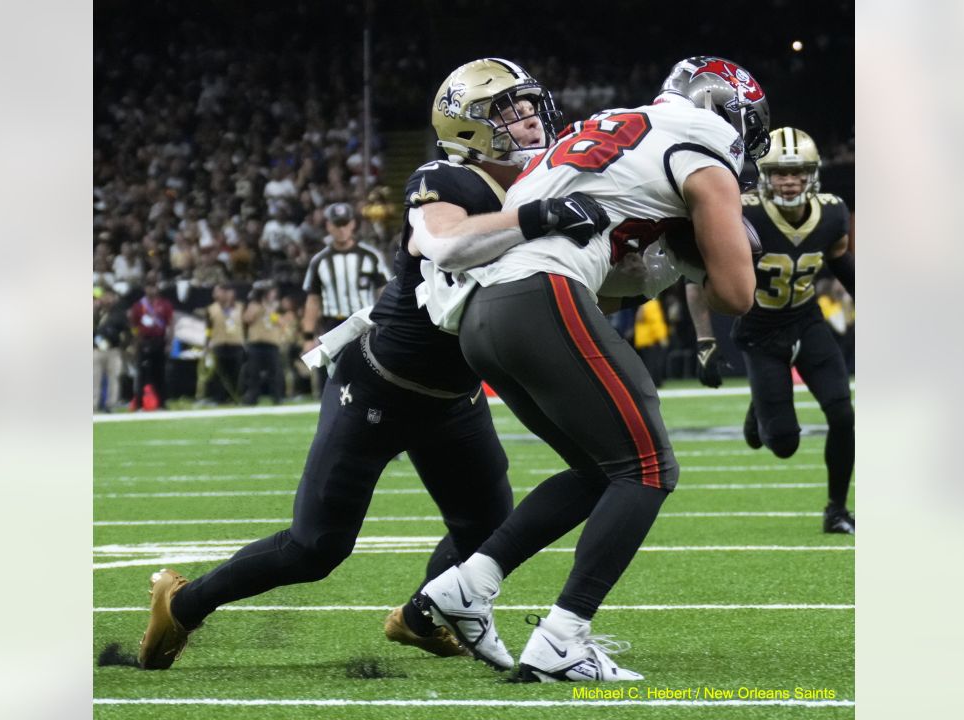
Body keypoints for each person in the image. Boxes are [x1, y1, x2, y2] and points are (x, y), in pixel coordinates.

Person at [137, 58, 594, 671]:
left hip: (453, 398)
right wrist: (537, 219)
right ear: (467, 128)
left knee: (486, 529)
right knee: (316, 549)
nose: (528, 119)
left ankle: (419, 615)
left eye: (530, 105)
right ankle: (185, 602)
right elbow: (448, 241)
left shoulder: (543, 182)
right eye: (507, 110)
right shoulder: (446, 179)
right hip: (380, 388)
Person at [411, 56, 771, 682]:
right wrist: (723, 239)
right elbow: (736, 296)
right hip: (539, 295)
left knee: (595, 470)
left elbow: (608, 256)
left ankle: (466, 586)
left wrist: (668, 246)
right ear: (730, 115)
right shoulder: (705, 143)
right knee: (649, 468)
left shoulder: (605, 127)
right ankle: (563, 637)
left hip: (481, 317)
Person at [685, 126, 856, 534]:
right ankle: (760, 412)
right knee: (783, 444)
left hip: (807, 320)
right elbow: (695, 276)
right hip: (760, 333)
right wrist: (706, 340)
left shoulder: (832, 213)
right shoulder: (744, 213)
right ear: (765, 175)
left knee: (843, 415)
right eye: (780, 171)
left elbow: (843, 267)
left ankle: (836, 509)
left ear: (813, 174)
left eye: (797, 172)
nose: (790, 179)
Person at [301, 201, 392, 394]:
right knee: (333, 380)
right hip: (332, 325)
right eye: (337, 224)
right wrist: (308, 336)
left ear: (352, 224)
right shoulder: (320, 261)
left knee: (369, 377)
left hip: (364, 324)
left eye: (345, 223)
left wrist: (388, 323)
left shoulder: (371, 256)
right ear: (328, 226)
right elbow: (313, 300)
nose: (341, 229)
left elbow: (384, 292)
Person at [127, 278, 174, 410]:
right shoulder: (139, 306)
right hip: (144, 341)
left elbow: (170, 324)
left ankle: (162, 402)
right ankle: (139, 403)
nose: (151, 289)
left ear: (157, 288)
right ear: (145, 289)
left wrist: (169, 342)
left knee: (160, 373)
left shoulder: (164, 304)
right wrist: (136, 340)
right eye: (149, 287)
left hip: (159, 341)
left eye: (153, 287)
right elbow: (133, 324)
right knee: (142, 374)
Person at [241, 284, 291, 405]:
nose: (273, 295)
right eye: (271, 292)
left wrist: (271, 312)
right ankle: (252, 398)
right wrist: (260, 308)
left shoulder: (277, 307)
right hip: (256, 344)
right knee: (254, 372)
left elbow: (282, 323)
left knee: (275, 372)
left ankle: (277, 397)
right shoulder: (254, 305)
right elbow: (247, 319)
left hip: (272, 344)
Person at [204, 283, 246, 404]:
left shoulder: (240, 307)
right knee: (219, 375)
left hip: (236, 344)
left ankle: (234, 397)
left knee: (236, 373)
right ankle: (219, 398)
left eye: (226, 292)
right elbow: (208, 329)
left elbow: (246, 325)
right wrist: (206, 345)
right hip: (219, 344)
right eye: (221, 292)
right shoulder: (211, 309)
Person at [93, 287, 130, 412]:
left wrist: (123, 347)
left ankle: (111, 404)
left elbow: (127, 332)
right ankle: (93, 404)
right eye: (105, 296)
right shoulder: (96, 312)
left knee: (113, 378)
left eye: (110, 296)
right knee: (94, 378)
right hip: (96, 349)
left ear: (114, 298)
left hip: (113, 350)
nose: (107, 299)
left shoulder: (119, 313)